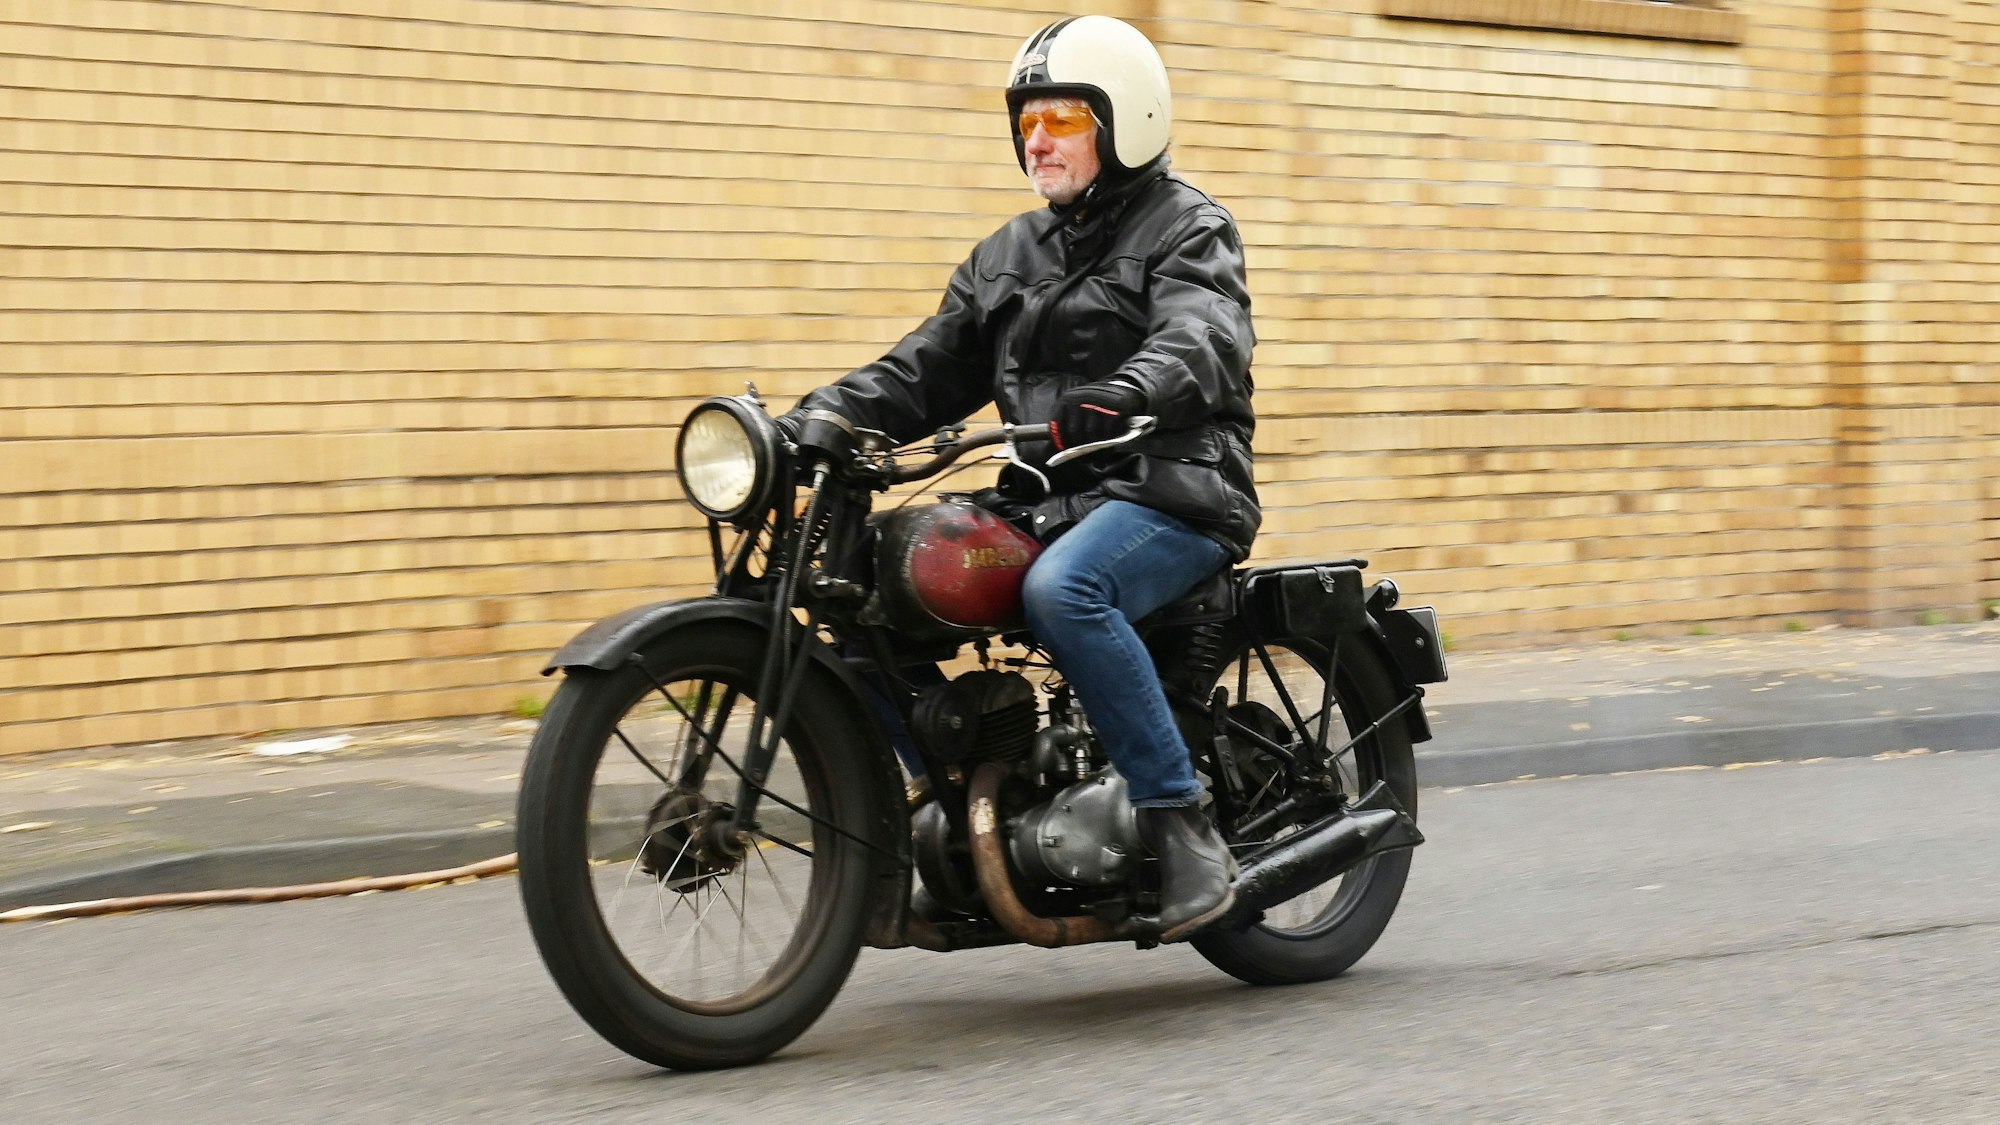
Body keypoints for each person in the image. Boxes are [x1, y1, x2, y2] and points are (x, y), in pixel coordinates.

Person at [787, 15, 1257, 942]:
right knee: (861, 592)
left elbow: (1204, 337)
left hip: (1172, 486)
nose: (1036, 139)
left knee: (1065, 589)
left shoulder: (1189, 227)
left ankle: (1180, 821)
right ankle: (940, 803)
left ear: (1127, 122)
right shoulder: (1009, 253)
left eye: (1062, 120)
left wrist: (1125, 393)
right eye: (1027, 120)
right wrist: (825, 416)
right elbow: (927, 367)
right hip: (1046, 495)